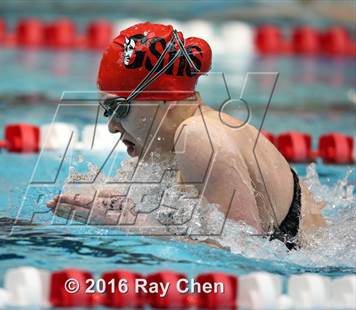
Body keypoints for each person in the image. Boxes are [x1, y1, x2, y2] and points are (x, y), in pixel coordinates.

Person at [47, 22, 325, 250]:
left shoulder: (198, 136)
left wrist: (132, 223)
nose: (112, 126)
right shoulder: (176, 142)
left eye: (118, 108)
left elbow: (247, 253)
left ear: (161, 99)